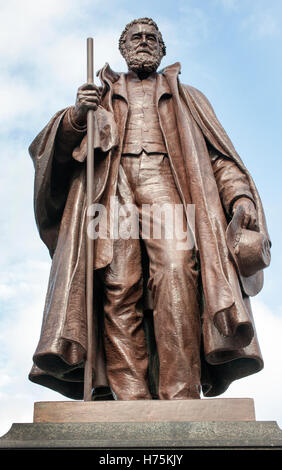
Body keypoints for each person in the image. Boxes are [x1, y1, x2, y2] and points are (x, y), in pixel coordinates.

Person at [29, 17, 270, 401]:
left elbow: (220, 158)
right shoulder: (100, 95)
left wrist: (239, 197)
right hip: (112, 190)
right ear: (123, 48)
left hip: (167, 186)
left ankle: (180, 395)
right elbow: (48, 151)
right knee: (118, 286)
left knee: (177, 273)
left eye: (151, 38)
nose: (143, 42)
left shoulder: (187, 97)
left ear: (162, 50)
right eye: (136, 38)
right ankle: (131, 400)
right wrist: (76, 117)